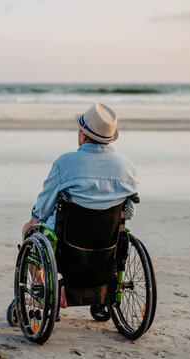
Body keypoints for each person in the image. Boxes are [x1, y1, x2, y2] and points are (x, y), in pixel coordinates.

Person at [21, 102, 138, 308]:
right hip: (107, 244)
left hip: (69, 245)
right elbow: (128, 213)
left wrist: (34, 220)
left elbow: (44, 206)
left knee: (30, 232)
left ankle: (41, 294)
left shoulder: (65, 163)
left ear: (83, 136)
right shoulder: (127, 166)